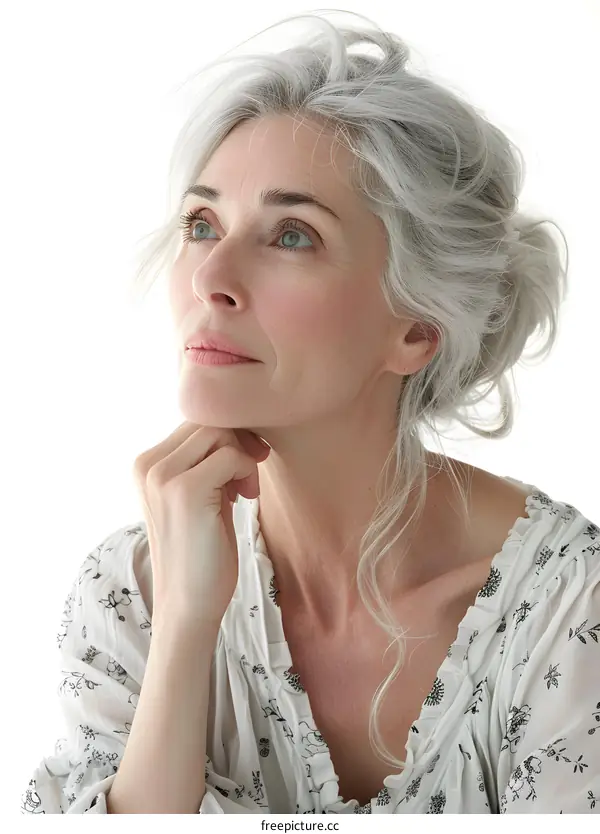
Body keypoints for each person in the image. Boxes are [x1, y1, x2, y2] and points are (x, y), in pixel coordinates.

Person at [21, 9, 600, 816]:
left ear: (416, 329)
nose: (210, 277)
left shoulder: (568, 607)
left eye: (291, 235)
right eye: (202, 223)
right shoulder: (132, 595)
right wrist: (188, 624)